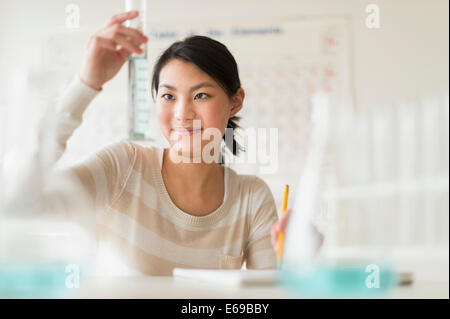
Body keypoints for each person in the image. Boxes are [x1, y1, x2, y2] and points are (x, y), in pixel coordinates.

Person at [52, 10, 318, 275]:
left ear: (235, 102)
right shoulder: (123, 167)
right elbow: (23, 199)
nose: (182, 114)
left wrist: (298, 258)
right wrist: (86, 83)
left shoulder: (252, 198)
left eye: (201, 95)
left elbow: (269, 296)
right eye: (168, 96)